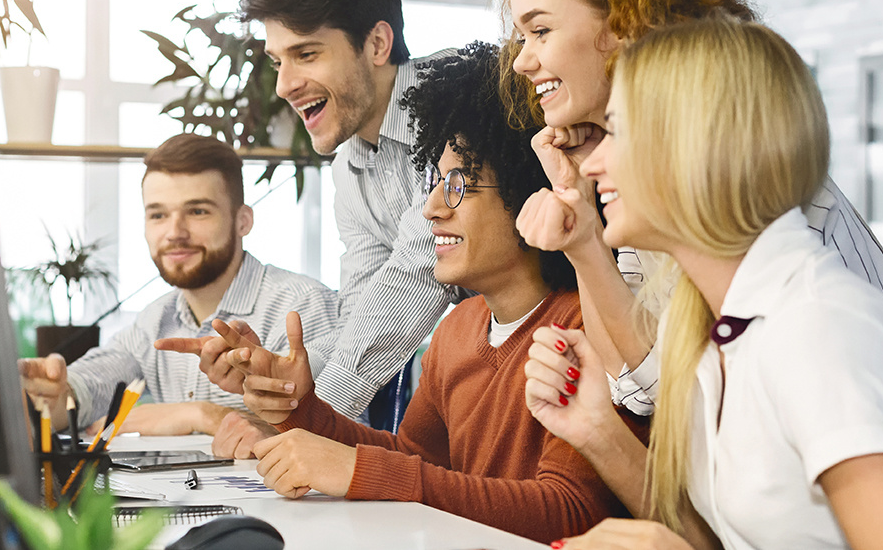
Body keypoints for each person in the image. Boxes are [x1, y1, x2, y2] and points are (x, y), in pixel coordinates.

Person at [526, 17, 883, 549]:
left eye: (618, 132)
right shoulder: (720, 326)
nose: (595, 162)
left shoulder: (818, 330)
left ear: (697, 148)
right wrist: (597, 429)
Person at [502, 0, 883, 416]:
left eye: (540, 30)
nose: (522, 60)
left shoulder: (727, 161)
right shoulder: (646, 171)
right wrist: (583, 223)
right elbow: (637, 389)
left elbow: (669, 389)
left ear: (621, 20)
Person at [219, 42, 646, 544]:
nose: (432, 209)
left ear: (528, 189)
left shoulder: (588, 327)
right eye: (436, 181)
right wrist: (303, 409)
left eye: (459, 184)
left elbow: (570, 510)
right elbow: (416, 462)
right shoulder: (460, 329)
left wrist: (360, 470)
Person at [160, 0, 456, 437]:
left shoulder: (451, 102)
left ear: (378, 43)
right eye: (279, 61)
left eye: (307, 54)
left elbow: (417, 276)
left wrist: (296, 421)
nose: (283, 85)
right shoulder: (352, 167)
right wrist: (280, 378)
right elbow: (361, 311)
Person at [18, 133, 338, 434]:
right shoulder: (156, 320)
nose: (174, 233)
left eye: (197, 211)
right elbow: (83, 393)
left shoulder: (303, 306)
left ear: (243, 221)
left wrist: (202, 415)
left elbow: (338, 434)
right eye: (157, 215)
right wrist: (49, 391)